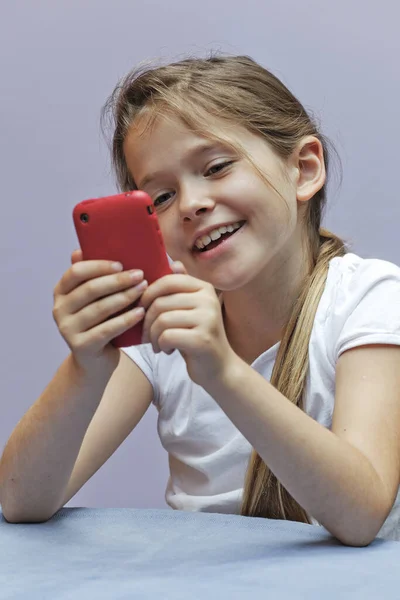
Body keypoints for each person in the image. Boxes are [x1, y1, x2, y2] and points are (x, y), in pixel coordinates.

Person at [1, 55, 400, 546]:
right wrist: (86, 366)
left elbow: (362, 517)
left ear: (303, 169)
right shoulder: (160, 320)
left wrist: (222, 371)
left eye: (216, 167)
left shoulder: (370, 299)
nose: (190, 204)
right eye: (161, 198)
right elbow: (22, 500)